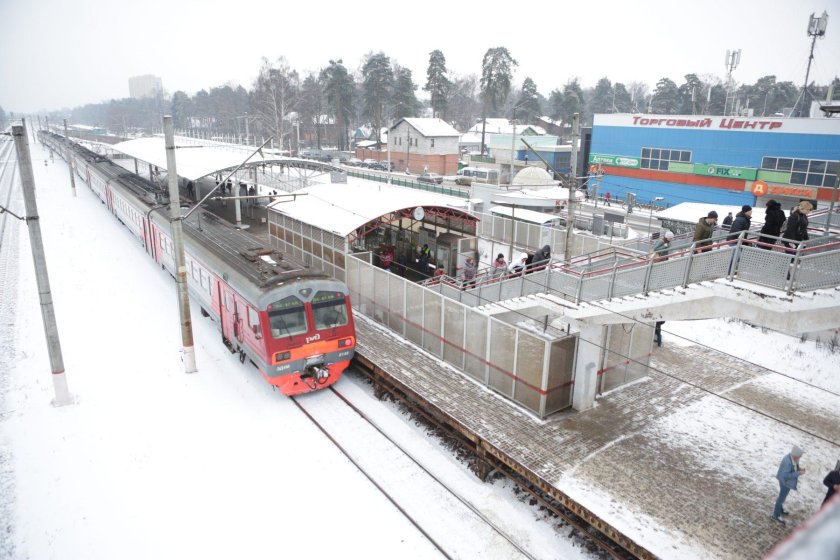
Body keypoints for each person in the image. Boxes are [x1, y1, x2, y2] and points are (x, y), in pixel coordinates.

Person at [773, 445, 805, 524]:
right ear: (795, 455)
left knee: (783, 497)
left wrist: (798, 468)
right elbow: (786, 475)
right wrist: (798, 473)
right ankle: (775, 515)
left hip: (786, 482)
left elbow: (794, 466)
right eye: (799, 456)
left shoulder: (792, 458)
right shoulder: (788, 462)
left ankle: (780, 510)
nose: (799, 458)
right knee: (781, 498)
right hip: (785, 482)